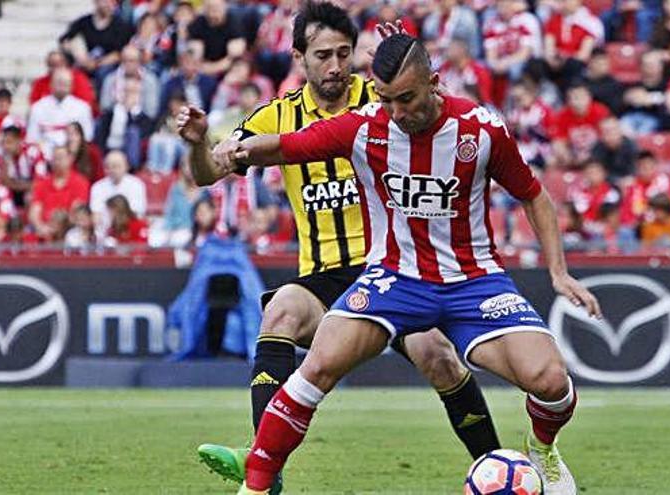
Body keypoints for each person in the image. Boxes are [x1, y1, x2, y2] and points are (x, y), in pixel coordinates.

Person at [180, 32, 602, 495]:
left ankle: (542, 447)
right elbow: (284, 146)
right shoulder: (366, 126)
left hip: (474, 281)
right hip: (393, 278)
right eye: (386, 100)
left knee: (550, 381)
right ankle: (257, 487)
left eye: (406, 99)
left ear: (435, 83)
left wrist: (558, 273)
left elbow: (533, 195)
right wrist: (225, 150)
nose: (397, 112)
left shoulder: (481, 130)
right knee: (315, 368)